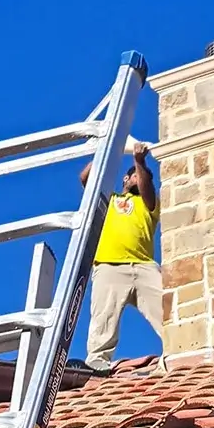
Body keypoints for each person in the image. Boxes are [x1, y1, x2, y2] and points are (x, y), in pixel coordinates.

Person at [79, 142, 164, 373]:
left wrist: (140, 162)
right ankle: (97, 363)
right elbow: (86, 178)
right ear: (125, 180)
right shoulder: (110, 200)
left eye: (144, 176)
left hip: (144, 265)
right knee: (103, 320)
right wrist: (107, 149)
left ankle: (179, 350)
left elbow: (147, 188)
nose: (140, 178)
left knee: (167, 311)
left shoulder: (149, 202)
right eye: (135, 175)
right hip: (109, 265)